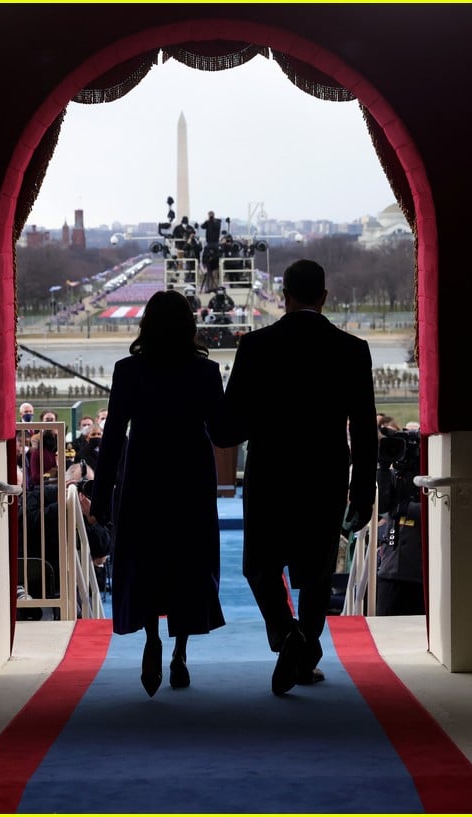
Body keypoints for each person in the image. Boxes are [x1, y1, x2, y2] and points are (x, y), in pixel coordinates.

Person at [216, 259, 377, 695]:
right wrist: (362, 492)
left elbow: (230, 428)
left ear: (283, 297)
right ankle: (304, 657)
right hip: (325, 476)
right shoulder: (351, 349)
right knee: (316, 574)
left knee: (260, 567)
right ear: (324, 297)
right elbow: (364, 429)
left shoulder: (256, 347)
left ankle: (288, 636)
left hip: (270, 474)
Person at [91, 289, 226, 697]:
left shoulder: (128, 370)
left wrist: (101, 497)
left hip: (145, 476)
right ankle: (180, 652)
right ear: (190, 326)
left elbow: (113, 436)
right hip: (190, 477)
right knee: (187, 562)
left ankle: (151, 638)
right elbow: (221, 432)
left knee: (146, 561)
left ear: (145, 324)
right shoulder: (204, 372)